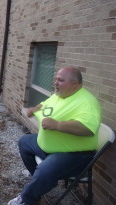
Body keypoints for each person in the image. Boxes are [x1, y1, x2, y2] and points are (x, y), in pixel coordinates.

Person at [8, 67, 101, 205]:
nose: (56, 83)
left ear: (75, 84)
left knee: (45, 169)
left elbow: (88, 128)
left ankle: (27, 199)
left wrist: (58, 125)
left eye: (60, 80)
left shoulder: (87, 102)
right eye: (56, 79)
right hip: (51, 148)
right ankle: (39, 180)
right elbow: (45, 105)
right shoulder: (60, 95)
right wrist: (34, 109)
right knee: (24, 142)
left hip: (75, 154)